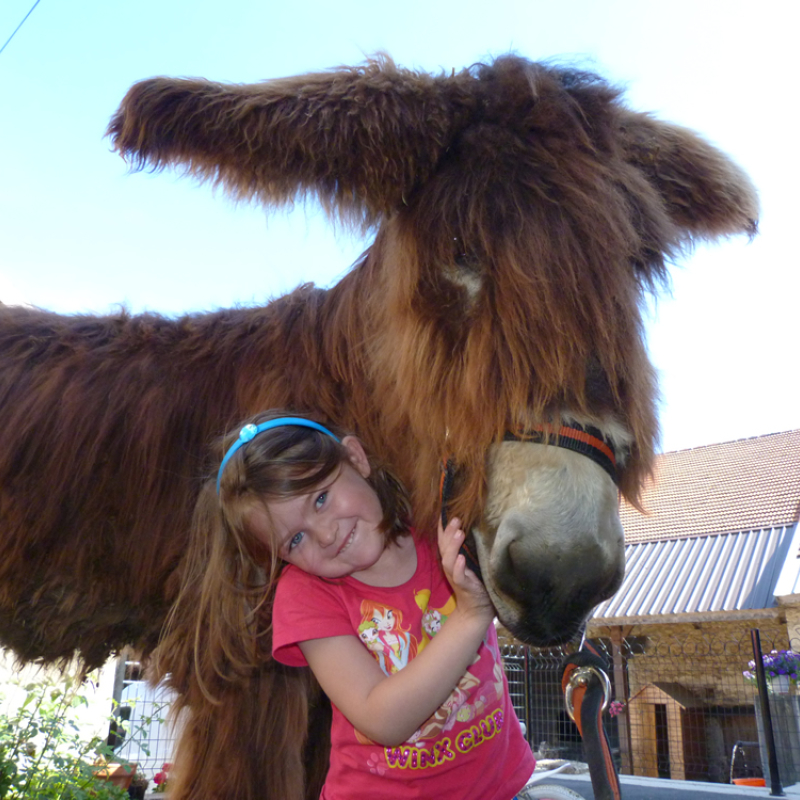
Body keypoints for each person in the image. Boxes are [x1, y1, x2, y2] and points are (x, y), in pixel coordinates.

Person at [195, 409, 536, 799]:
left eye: (321, 499)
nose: (324, 535)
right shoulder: (306, 597)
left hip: (499, 786)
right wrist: (471, 615)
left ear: (356, 457)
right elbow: (382, 718)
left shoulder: (436, 524)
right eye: (295, 540)